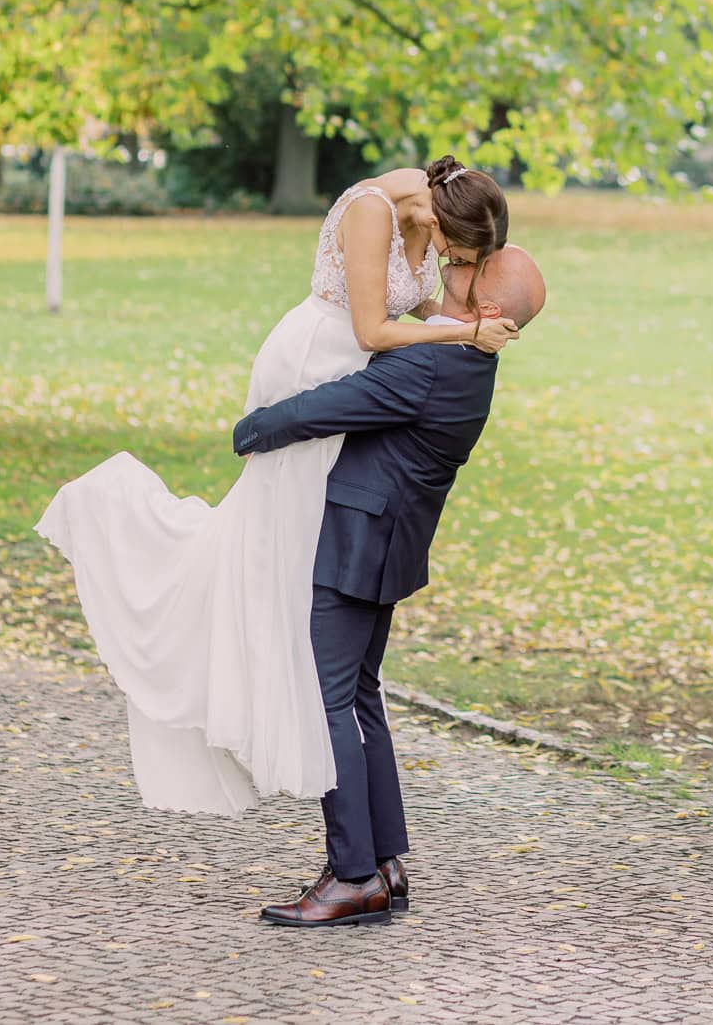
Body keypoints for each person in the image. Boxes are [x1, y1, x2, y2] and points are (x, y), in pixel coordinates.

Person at [35, 155, 513, 816]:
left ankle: (322, 713)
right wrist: (467, 333)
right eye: (457, 254)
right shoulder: (374, 209)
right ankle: (267, 673)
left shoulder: (428, 215)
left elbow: (413, 303)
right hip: (316, 362)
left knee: (299, 567)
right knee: (274, 549)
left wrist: (454, 321)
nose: (457, 267)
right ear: (434, 214)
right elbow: (373, 327)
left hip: (364, 369)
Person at [234, 243, 547, 927]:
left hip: (355, 543)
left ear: (488, 304)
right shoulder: (467, 356)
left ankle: (351, 875)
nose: (459, 262)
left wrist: (252, 427)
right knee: (362, 697)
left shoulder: (435, 360)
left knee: (327, 700)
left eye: (472, 263)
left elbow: (333, 404)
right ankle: (386, 863)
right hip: (386, 544)